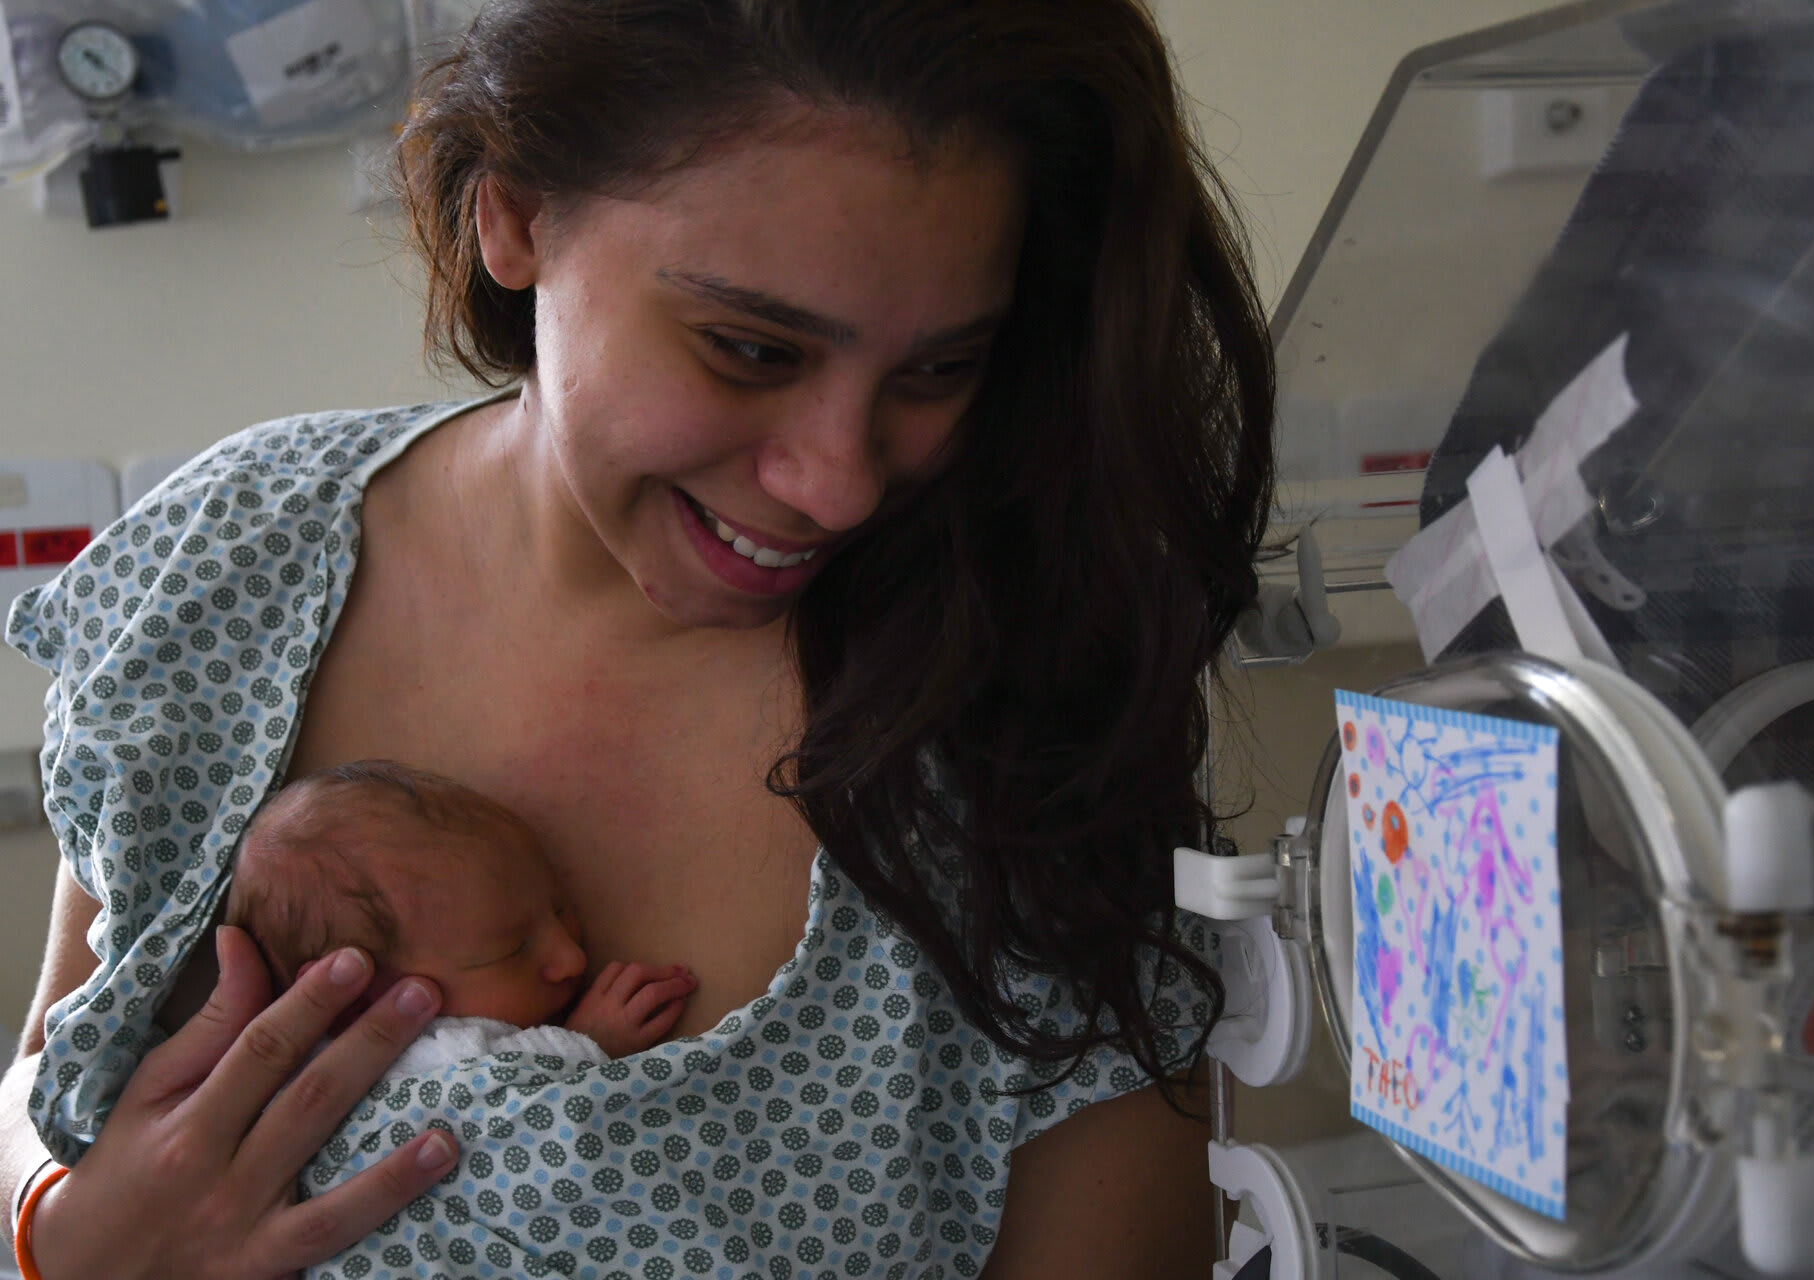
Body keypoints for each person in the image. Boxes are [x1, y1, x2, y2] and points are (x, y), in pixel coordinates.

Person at [1, 0, 1276, 1275]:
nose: (839, 483)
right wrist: (48, 1224)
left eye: (938, 370)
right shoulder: (228, 558)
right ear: (515, 216)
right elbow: (56, 1071)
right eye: (751, 348)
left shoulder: (1025, 691)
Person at [225, 759, 700, 1071]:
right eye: (511, 949)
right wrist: (585, 1045)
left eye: (558, 907)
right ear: (354, 1001)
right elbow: (479, 1107)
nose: (571, 957)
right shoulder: (390, 1066)